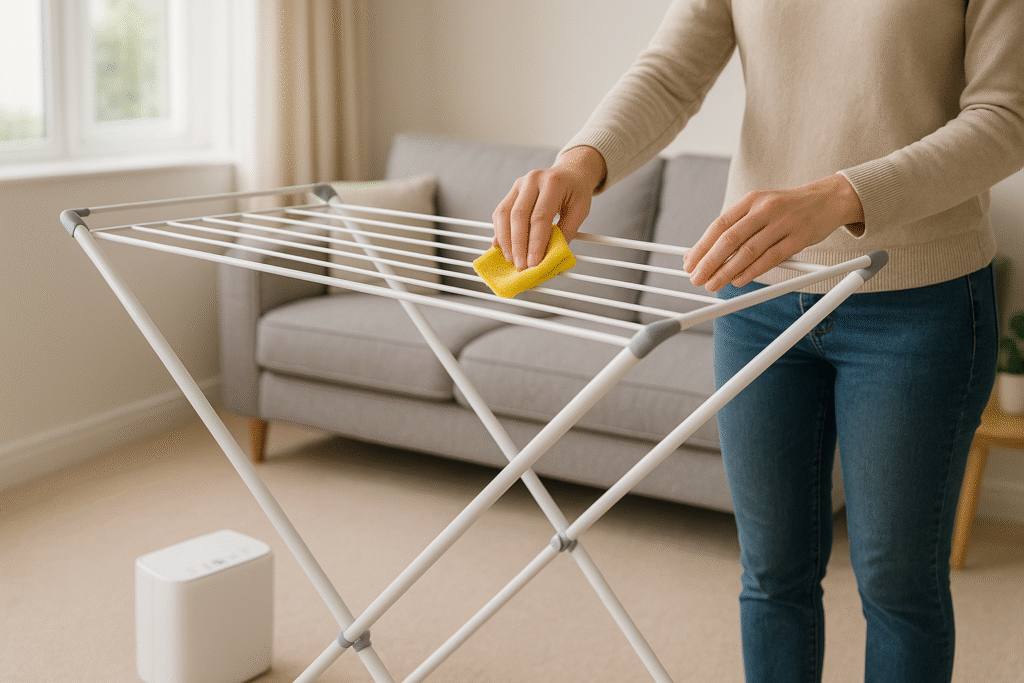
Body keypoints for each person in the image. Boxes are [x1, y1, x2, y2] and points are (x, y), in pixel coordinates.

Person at [490, 1, 1024, 681]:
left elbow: (1005, 118)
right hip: (757, 295)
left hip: (915, 303)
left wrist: (841, 195)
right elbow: (671, 70)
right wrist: (579, 162)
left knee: (897, 587)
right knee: (772, 574)